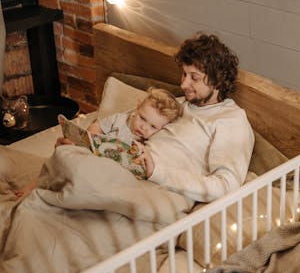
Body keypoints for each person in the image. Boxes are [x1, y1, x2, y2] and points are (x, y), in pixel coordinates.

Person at [58, 33, 255, 204]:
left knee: (77, 183)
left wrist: (156, 172)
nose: (184, 84)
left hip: (164, 188)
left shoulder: (231, 121)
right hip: (132, 171)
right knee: (65, 156)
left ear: (217, 80)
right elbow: (130, 121)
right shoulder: (177, 104)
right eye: (184, 74)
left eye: (194, 78)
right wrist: (82, 144)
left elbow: (226, 185)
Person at [15, 88, 183, 196]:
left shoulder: (149, 143)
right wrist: (77, 141)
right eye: (142, 118)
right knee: (62, 153)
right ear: (137, 108)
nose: (144, 127)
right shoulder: (118, 120)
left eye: (153, 126)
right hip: (91, 155)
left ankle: (60, 190)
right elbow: (93, 133)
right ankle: (33, 187)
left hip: (109, 173)